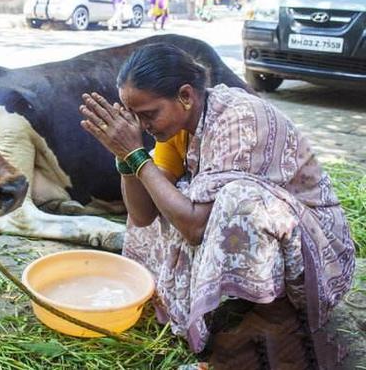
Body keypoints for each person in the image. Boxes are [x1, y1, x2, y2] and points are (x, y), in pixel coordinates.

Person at [79, 44, 355, 363]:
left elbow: (195, 227)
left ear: (185, 95)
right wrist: (125, 159)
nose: (143, 127)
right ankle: (221, 311)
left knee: (238, 201)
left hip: (317, 253)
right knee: (162, 190)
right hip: (270, 241)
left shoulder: (240, 117)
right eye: (135, 118)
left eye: (149, 115)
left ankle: (271, 317)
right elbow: (143, 217)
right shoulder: (178, 128)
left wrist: (136, 156)